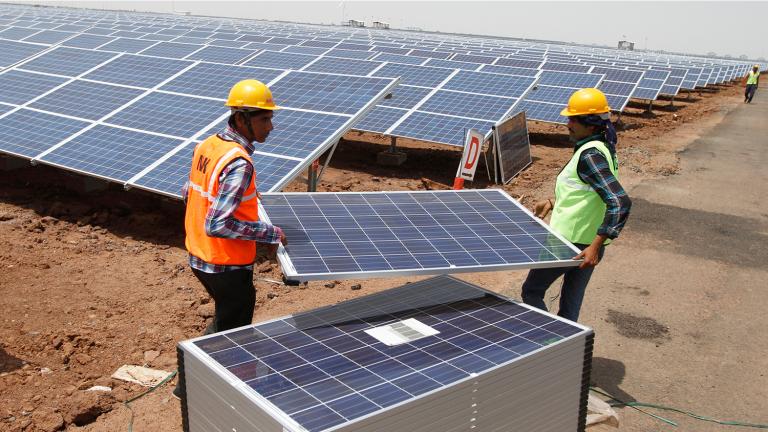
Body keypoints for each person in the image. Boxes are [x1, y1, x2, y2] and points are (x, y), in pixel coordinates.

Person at [521, 88, 631, 322]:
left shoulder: (590, 155)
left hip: (569, 243)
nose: (568, 124)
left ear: (590, 125)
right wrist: (552, 202)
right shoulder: (603, 147)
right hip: (588, 243)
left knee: (532, 292)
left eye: (574, 119)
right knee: (571, 304)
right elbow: (588, 192)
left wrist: (596, 244)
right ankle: (564, 350)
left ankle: (547, 341)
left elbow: (619, 202)